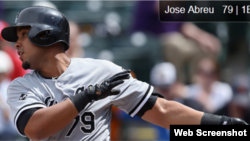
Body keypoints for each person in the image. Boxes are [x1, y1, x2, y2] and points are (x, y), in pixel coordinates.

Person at [0, 6, 247, 141]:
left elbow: (162, 111)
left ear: (46, 35)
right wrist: (87, 96)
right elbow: (35, 129)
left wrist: (222, 126)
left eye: (23, 35)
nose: (16, 45)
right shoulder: (22, 87)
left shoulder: (101, 71)